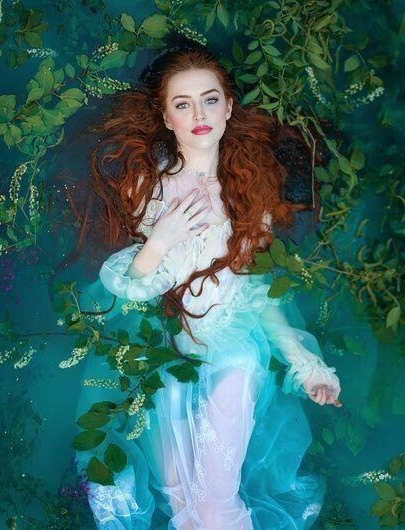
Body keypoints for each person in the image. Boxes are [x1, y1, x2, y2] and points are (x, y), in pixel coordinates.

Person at [77, 45, 342, 530]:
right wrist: (161, 239)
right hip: (167, 361)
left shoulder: (250, 192)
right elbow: (130, 288)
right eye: (183, 104)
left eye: (210, 99)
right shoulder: (148, 188)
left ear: (229, 106)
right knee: (183, 508)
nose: (199, 115)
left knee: (214, 507)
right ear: (167, 117)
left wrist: (306, 365)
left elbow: (257, 296)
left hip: (235, 355)